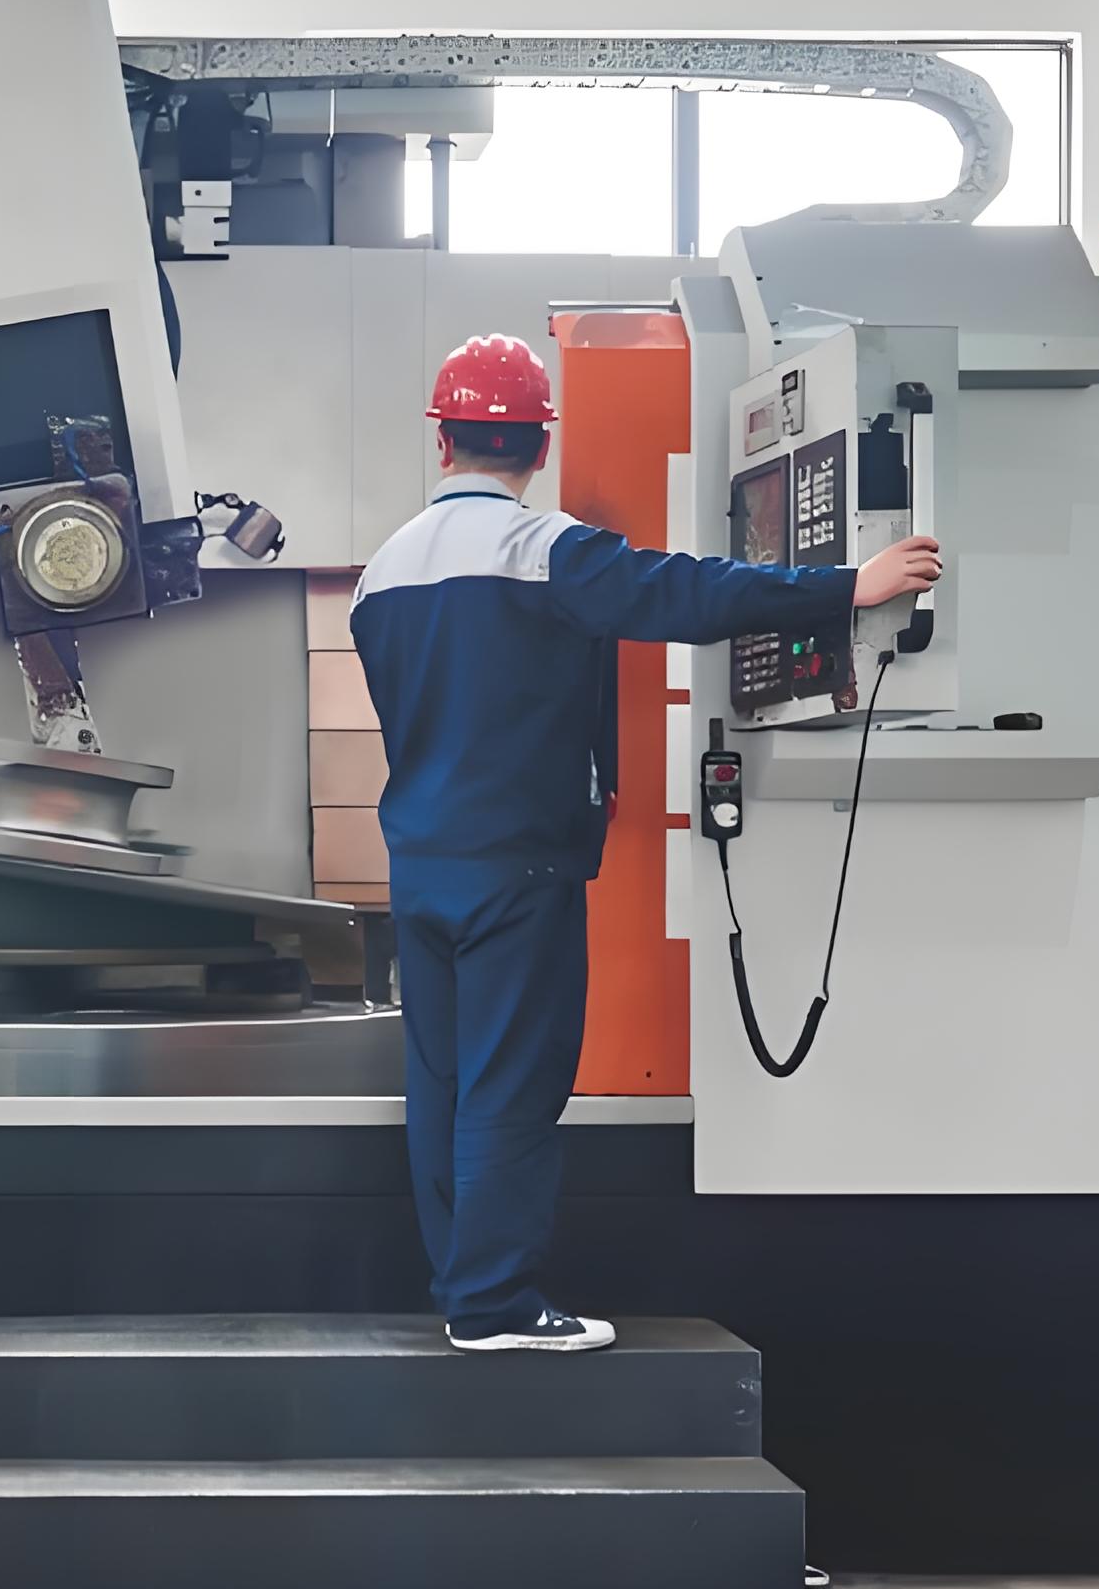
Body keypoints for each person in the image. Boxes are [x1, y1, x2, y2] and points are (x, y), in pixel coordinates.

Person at [349, 334, 942, 1353]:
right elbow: (692, 593)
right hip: (518, 866)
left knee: (440, 1084)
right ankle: (496, 1306)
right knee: (512, 1083)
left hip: (420, 865)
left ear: (443, 439)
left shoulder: (381, 574)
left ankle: (462, 1288)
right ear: (539, 444)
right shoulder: (548, 552)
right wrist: (849, 585)